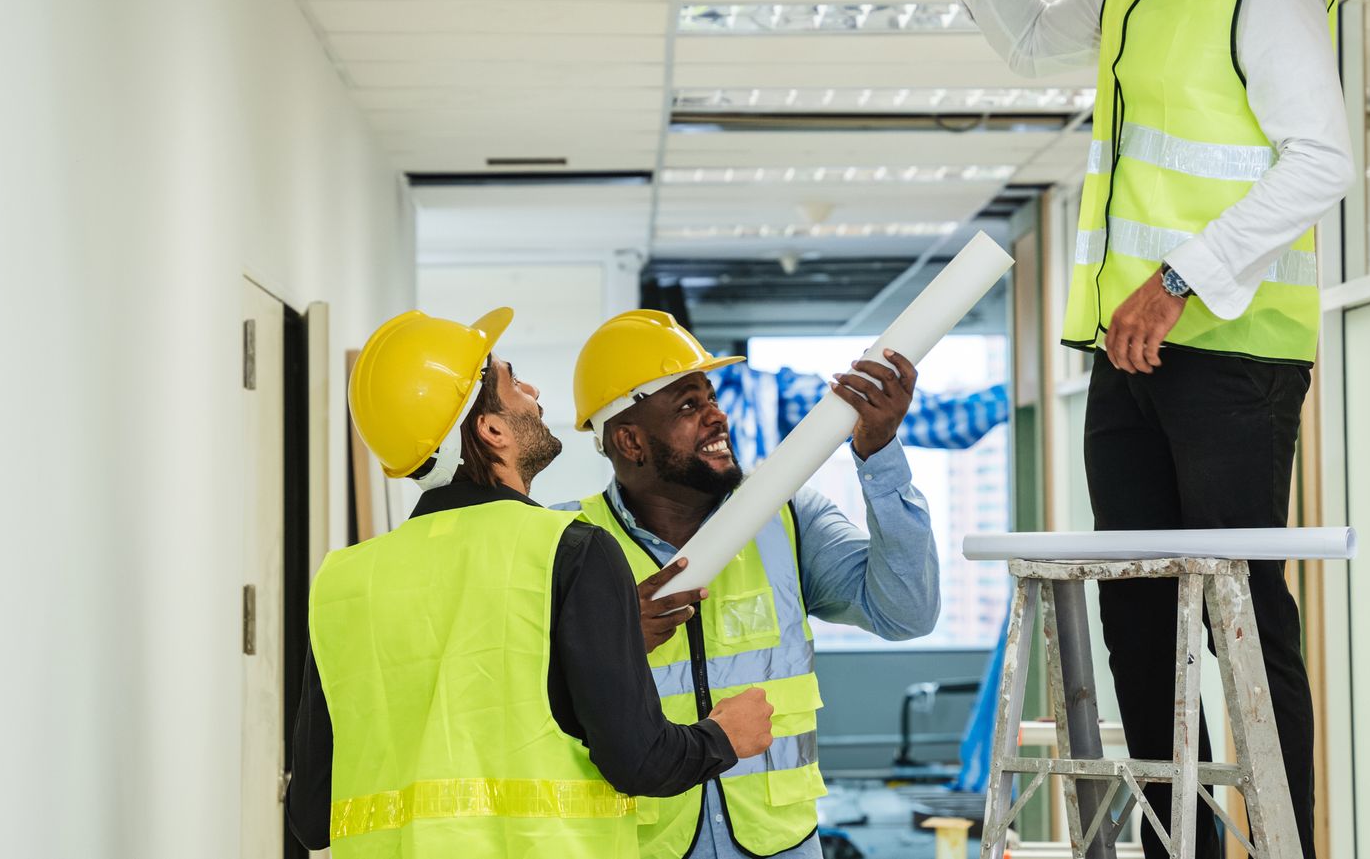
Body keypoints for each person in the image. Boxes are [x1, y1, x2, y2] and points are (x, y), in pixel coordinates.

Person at [910, 0, 1351, 859]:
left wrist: (1179, 279)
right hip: (1132, 356)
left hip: (1233, 356)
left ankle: (1282, 840)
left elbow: (1321, 159)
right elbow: (1021, 41)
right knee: (1138, 620)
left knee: (1242, 616)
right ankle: (1175, 850)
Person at [287, 307, 775, 856]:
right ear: (491, 429)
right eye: (512, 381)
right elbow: (640, 761)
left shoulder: (344, 582)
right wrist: (723, 736)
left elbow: (311, 816)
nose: (533, 390)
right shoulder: (572, 551)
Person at [565, 310, 941, 859]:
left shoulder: (787, 517)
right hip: (642, 843)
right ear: (631, 441)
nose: (717, 416)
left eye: (711, 397)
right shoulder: (569, 543)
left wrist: (879, 453)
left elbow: (907, 612)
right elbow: (521, 693)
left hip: (780, 842)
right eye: (689, 406)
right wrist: (612, 639)